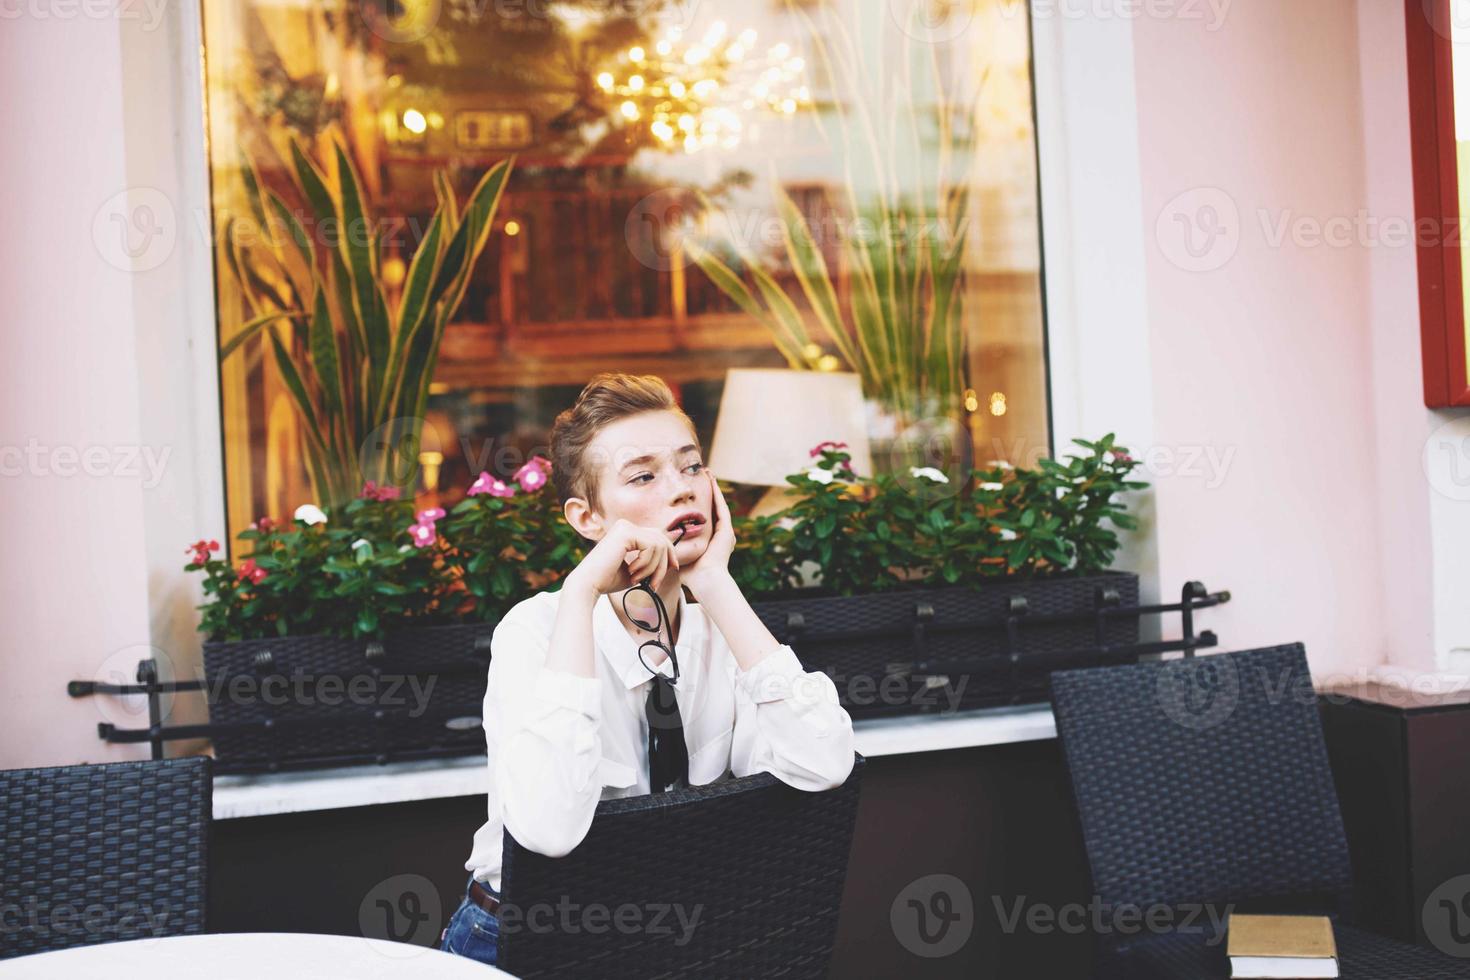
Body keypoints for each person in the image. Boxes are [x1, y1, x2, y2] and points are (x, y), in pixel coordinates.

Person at [438, 373, 856, 966]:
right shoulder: (534, 632)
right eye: (644, 475)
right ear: (587, 519)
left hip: (663, 937)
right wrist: (582, 591)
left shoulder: (721, 631)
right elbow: (549, 832)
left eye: (691, 467)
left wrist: (715, 583)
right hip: (518, 938)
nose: (683, 490)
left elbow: (825, 763)